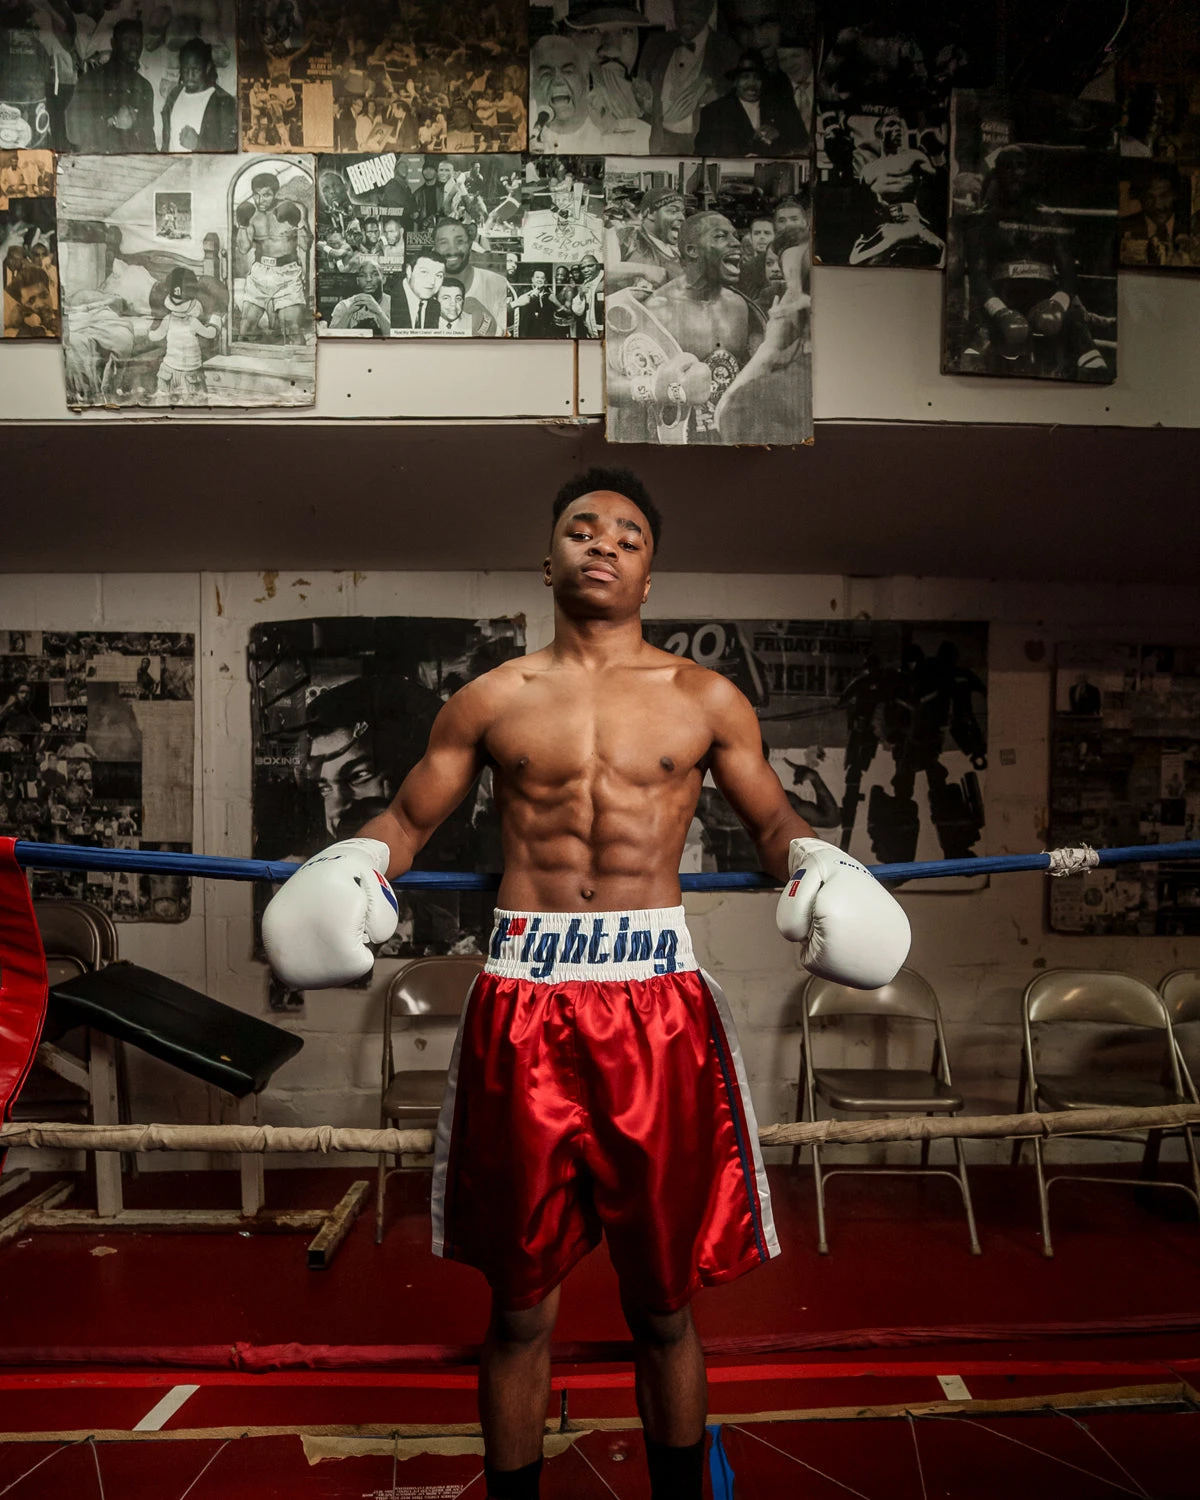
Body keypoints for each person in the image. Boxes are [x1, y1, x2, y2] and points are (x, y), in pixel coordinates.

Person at [261, 470, 909, 1500]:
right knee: (520, 1307)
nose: (602, 544)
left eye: (627, 535)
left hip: (656, 1006)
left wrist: (818, 864)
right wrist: (354, 861)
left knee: (664, 1306)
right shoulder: (492, 699)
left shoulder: (705, 699)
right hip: (524, 998)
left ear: (652, 571)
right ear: (549, 557)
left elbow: (775, 824)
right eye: (581, 528)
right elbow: (408, 820)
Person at [636, 0, 739, 153]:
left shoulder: (728, 50)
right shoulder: (655, 44)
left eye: (693, 10)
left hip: (703, 146)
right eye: (680, 10)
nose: (685, 17)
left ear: (709, 9)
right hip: (659, 143)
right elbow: (639, 99)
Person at [847, 114, 943, 266]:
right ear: (879, 133)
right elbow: (861, 204)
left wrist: (937, 155)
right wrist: (877, 207)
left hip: (910, 220)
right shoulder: (868, 170)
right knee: (856, 260)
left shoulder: (914, 157)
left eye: (899, 125)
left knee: (940, 251)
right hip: (879, 225)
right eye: (891, 124)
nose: (897, 128)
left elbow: (939, 181)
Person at [530, 32, 650, 153]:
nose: (558, 81)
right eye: (546, 74)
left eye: (568, 71)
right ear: (533, 83)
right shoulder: (522, 125)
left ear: (585, 79)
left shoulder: (630, 134)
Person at [236, 171, 311, 342]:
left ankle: (298, 368)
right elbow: (243, 248)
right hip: (259, 274)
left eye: (266, 195)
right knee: (245, 329)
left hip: (287, 275)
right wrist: (242, 224)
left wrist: (298, 223)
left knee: (292, 329)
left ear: (276, 193)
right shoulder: (251, 213)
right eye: (256, 194)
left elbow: (306, 246)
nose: (260, 200)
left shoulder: (294, 208)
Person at [64, 17, 156, 152]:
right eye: (127, 39)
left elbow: (148, 138)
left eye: (138, 41)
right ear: (113, 43)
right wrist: (112, 120)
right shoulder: (91, 81)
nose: (133, 45)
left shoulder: (144, 87)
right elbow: (74, 132)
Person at [694, 48, 805, 157]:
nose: (752, 83)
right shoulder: (714, 112)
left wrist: (779, 134)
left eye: (757, 78)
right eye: (745, 77)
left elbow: (802, 143)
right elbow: (703, 153)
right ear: (735, 81)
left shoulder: (782, 107)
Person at [148, 265, 218, 403]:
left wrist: (151, 328)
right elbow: (210, 334)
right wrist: (216, 322)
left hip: (168, 371)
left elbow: (154, 336)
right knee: (195, 409)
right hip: (190, 372)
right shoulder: (193, 322)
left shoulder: (168, 319)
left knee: (164, 405)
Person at [161, 37, 237, 152]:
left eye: (195, 70)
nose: (190, 76)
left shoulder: (223, 102)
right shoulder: (174, 95)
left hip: (203, 169)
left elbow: (229, 150)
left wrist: (198, 145)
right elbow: (166, 141)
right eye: (185, 70)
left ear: (207, 68)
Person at [432, 218, 506, 336]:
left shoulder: (498, 284)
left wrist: (492, 329)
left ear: (470, 244)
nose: (452, 250)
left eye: (459, 241)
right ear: (434, 247)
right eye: (443, 242)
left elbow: (510, 339)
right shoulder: (422, 290)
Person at [605, 184, 684, 291]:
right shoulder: (625, 236)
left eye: (682, 212)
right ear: (650, 213)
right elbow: (605, 270)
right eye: (673, 211)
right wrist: (644, 270)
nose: (682, 217)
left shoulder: (678, 257)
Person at [327, 262, 391, 336]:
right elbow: (332, 339)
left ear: (384, 279)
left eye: (374, 274)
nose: (368, 279)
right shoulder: (344, 306)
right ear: (358, 281)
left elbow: (399, 337)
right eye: (363, 276)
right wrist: (348, 314)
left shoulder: (396, 304)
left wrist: (379, 312)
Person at [388, 249, 445, 331]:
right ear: (409, 271)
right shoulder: (388, 299)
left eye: (439, 276)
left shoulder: (434, 307)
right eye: (424, 272)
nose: (432, 281)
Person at [509, 267, 558, 338]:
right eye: (537, 277)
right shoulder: (524, 292)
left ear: (545, 281)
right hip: (527, 332)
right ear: (532, 280)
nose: (539, 280)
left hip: (544, 333)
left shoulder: (549, 295)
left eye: (542, 278)